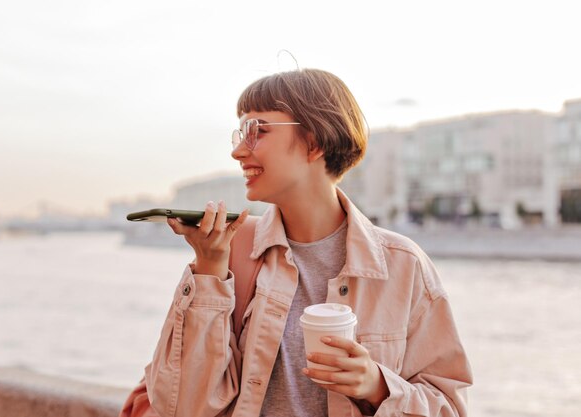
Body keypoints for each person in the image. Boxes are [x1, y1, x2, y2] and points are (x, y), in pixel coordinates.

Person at [120, 68, 472, 417]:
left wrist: (377, 387)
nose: (238, 152)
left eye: (257, 130)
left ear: (315, 142)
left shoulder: (402, 265)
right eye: (239, 133)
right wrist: (209, 272)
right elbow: (182, 407)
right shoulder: (229, 250)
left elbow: (450, 407)